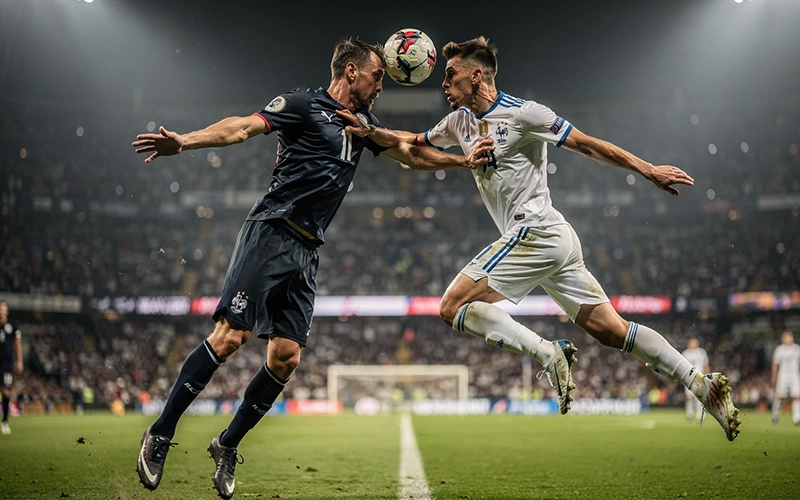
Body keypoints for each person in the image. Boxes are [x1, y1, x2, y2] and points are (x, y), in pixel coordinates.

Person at [131, 37, 492, 499]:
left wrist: (463, 161)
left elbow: (411, 153)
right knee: (231, 337)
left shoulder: (364, 124)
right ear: (352, 73)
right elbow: (242, 127)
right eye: (378, 76)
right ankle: (159, 433)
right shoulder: (303, 104)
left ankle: (226, 444)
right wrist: (184, 141)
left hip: (308, 251)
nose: (383, 85)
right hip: (272, 232)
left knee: (286, 359)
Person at [338, 36, 742, 441]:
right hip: (552, 239)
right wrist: (370, 130)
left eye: (450, 75)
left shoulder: (524, 114)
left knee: (452, 306)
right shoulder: (459, 121)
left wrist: (647, 168)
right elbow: (413, 144)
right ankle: (699, 384)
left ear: (476, 76)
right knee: (610, 331)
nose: (443, 84)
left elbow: (586, 145)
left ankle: (549, 352)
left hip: (537, 230)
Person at [0, 300, 24, 435]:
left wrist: (20, 360)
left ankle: (4, 421)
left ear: (7, 311)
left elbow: (17, 344)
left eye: (3, 308)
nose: (1, 310)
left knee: (5, 391)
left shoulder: (13, 325)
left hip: (6, 363)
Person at [771, 331, 800, 425]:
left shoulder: (797, 349)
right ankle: (775, 415)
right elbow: (775, 364)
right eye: (786, 337)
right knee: (779, 396)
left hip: (794, 376)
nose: (788, 339)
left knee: (796, 396)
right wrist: (774, 377)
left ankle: (796, 417)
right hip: (782, 376)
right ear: (783, 339)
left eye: (789, 337)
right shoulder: (779, 350)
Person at [681, 338, 710, 422]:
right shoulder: (685, 353)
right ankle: (689, 413)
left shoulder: (701, 352)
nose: (694, 344)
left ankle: (700, 414)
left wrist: (707, 376)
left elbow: (705, 365)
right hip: (688, 377)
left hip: (699, 376)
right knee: (689, 396)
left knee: (700, 396)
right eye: (692, 343)